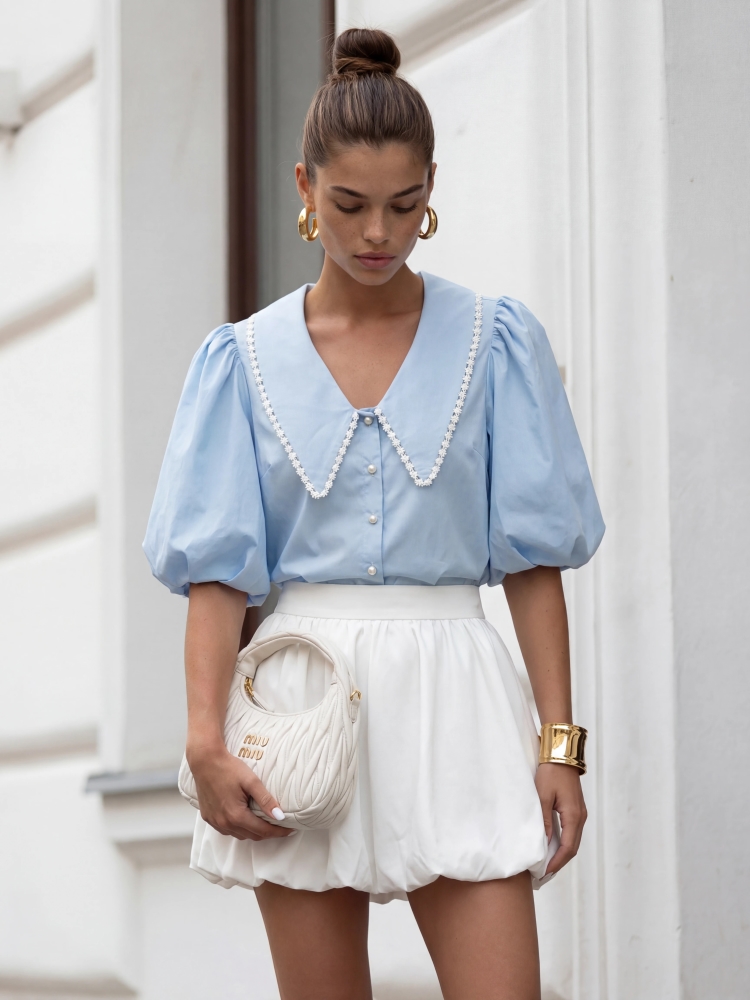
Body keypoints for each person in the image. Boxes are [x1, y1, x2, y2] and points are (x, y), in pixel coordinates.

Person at [144, 27, 604, 1000]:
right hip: (298, 701)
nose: (377, 234)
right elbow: (217, 576)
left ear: (431, 188)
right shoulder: (242, 361)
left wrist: (559, 745)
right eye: (350, 205)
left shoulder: (494, 341)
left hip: (457, 696)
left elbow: (534, 564)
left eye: (404, 204)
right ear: (305, 187)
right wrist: (203, 739)